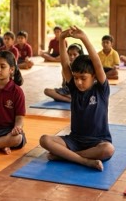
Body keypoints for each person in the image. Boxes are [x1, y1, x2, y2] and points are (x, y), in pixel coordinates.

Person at [39, 26, 115, 171]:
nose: (78, 82)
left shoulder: (101, 90)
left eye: (83, 78)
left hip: (98, 142)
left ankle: (65, 156)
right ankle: (84, 161)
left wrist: (84, 38)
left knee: (108, 150)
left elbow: (97, 64)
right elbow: (64, 64)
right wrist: (62, 38)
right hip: (74, 140)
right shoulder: (74, 89)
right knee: (45, 140)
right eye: (76, 78)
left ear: (93, 77)